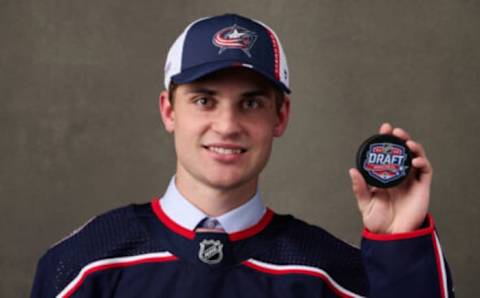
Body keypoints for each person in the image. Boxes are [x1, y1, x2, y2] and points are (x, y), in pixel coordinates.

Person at [31, 13, 453, 297]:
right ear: (168, 110)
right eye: (204, 100)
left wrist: (400, 243)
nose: (228, 125)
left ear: (280, 116)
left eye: (250, 103)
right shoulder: (82, 266)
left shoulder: (332, 273)